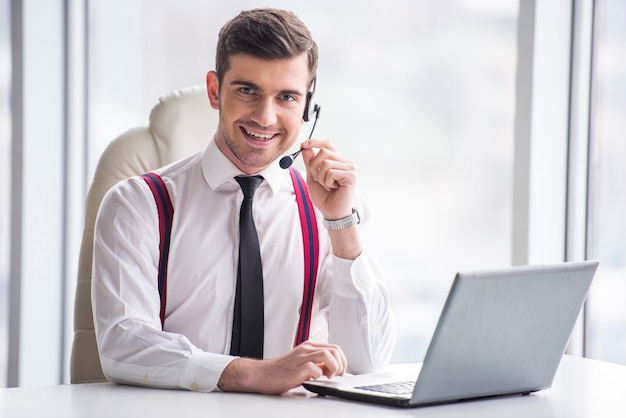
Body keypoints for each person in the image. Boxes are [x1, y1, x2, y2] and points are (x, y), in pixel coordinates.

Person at [91, 7, 395, 395]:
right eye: (247, 90)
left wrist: (341, 226)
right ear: (215, 90)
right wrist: (256, 374)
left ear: (307, 108)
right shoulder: (137, 205)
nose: (265, 117)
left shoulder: (333, 212)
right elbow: (124, 344)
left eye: (286, 97)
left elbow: (368, 361)